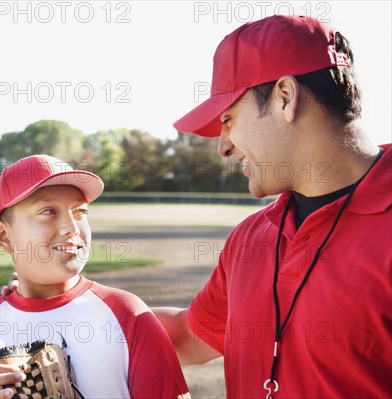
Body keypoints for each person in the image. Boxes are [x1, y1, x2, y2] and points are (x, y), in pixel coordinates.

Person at [152, 15, 391, 398]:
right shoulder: (251, 238)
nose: (223, 146)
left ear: (285, 96)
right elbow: (186, 337)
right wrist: (59, 303)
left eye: (229, 119)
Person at [0, 154, 190, 398]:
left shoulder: (127, 316)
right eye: (48, 211)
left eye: (80, 212)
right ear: (4, 237)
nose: (71, 227)